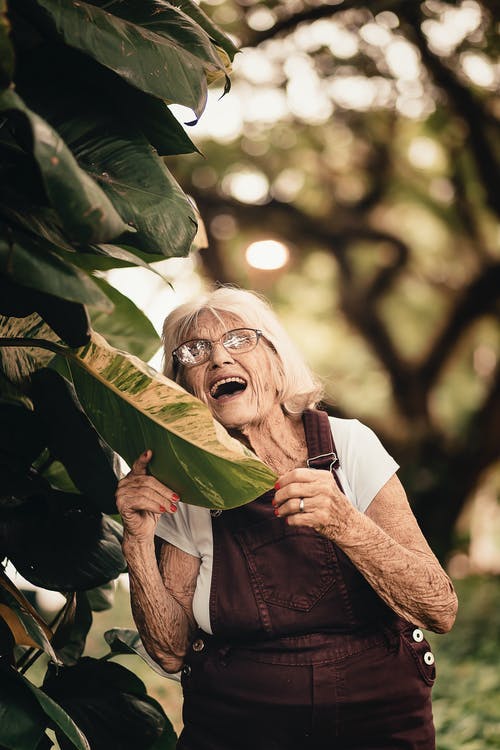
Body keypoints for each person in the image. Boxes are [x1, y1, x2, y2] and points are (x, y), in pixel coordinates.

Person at [116, 286, 458, 750]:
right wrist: (136, 541)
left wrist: (346, 523)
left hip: (379, 719)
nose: (218, 359)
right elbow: (170, 651)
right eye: (195, 351)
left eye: (239, 340)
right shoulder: (186, 482)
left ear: (277, 363)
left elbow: (438, 608)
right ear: (184, 387)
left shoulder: (349, 443)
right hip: (238, 725)